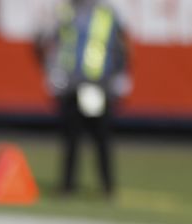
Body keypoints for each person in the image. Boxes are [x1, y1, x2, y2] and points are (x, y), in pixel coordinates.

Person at [36, 0, 131, 198]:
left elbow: (121, 46)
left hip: (95, 86)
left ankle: (107, 187)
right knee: (71, 138)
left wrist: (121, 75)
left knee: (100, 137)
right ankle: (68, 186)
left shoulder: (106, 12)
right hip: (71, 85)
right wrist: (50, 71)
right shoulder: (64, 11)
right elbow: (42, 41)